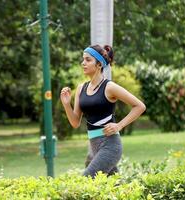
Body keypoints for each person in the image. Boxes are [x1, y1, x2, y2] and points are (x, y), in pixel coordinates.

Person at [60, 44, 146, 178]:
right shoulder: (81, 88)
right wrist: (66, 104)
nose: (83, 63)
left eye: (88, 60)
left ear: (99, 64)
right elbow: (75, 122)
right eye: (83, 59)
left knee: (85, 181)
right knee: (114, 189)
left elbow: (140, 106)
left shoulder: (109, 87)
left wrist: (119, 126)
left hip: (110, 146)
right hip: (95, 147)